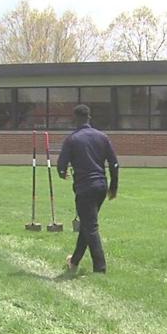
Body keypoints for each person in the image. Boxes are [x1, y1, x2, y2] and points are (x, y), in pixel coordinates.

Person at [57, 104, 119, 273]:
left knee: (90, 227)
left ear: (75, 119)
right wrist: (113, 186)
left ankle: (100, 267)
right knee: (87, 224)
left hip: (84, 187)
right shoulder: (102, 137)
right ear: (89, 118)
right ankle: (75, 260)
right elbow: (114, 163)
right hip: (101, 186)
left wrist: (62, 173)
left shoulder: (72, 139)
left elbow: (61, 164)